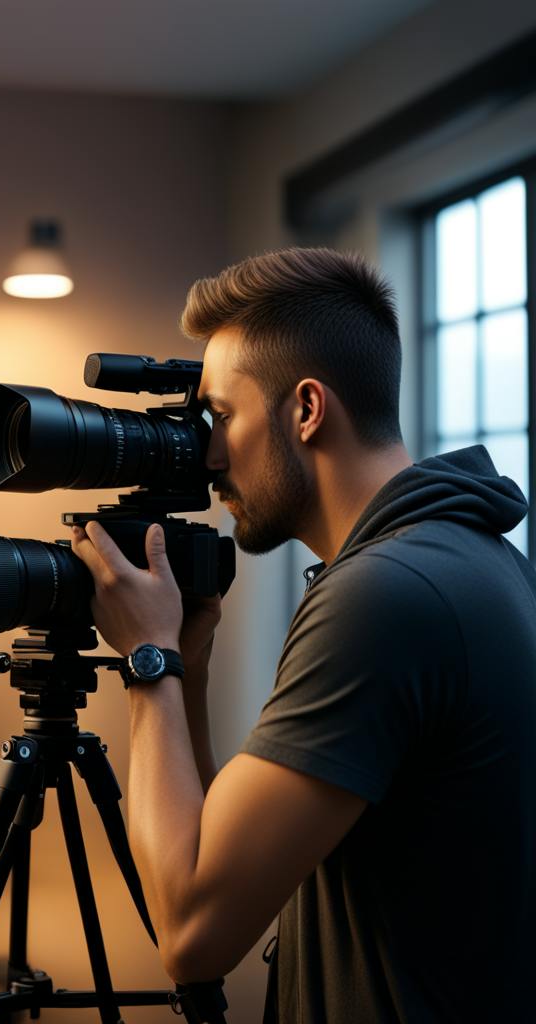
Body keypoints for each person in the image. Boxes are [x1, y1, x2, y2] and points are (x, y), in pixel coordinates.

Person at [70, 248, 536, 1022]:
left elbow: (191, 929)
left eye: (221, 416)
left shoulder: (383, 600)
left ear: (307, 409)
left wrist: (146, 663)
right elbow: (229, 845)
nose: (210, 455)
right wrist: (184, 666)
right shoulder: (473, 555)